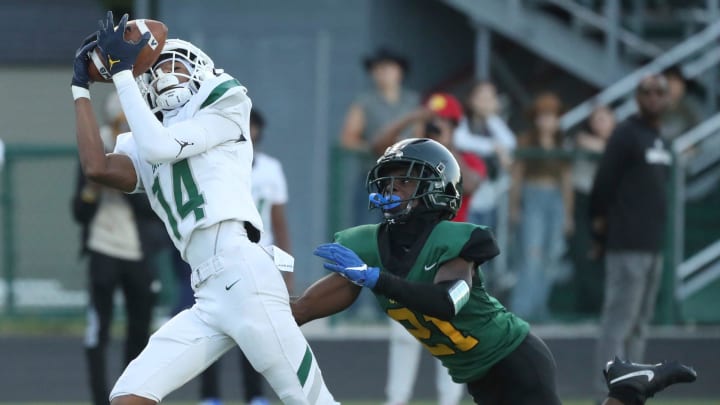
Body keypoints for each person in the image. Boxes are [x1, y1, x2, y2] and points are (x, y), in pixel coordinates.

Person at [290, 137, 696, 405]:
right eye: (389, 181)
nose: (392, 190)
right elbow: (302, 310)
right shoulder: (366, 245)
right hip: (476, 373)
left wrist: (376, 279)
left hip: (513, 357)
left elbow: (449, 302)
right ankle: (628, 386)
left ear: (436, 187)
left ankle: (632, 385)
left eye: (405, 182)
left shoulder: (455, 240)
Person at [71, 12, 336, 405]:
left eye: (172, 64)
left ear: (199, 69)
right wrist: (80, 88)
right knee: (128, 395)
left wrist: (124, 73)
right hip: (206, 291)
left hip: (242, 270)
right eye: (155, 68)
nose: (163, 75)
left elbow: (161, 147)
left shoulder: (227, 106)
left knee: (313, 402)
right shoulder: (144, 136)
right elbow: (97, 167)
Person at [374, 93, 484, 405]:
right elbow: (377, 148)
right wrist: (411, 122)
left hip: (453, 258)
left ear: (455, 126)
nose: (437, 128)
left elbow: (473, 182)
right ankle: (396, 401)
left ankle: (449, 402)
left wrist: (446, 149)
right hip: (412, 253)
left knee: (450, 334)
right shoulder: (411, 160)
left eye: (444, 124)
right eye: (434, 123)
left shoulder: (466, 160)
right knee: (404, 334)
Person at [71, 91, 167, 405]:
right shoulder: (95, 146)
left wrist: (118, 179)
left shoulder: (144, 147)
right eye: (118, 121)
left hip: (138, 252)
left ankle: (130, 396)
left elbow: (154, 208)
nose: (122, 126)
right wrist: (93, 188)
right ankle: (99, 399)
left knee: (140, 331)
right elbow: (79, 211)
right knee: (98, 331)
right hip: (103, 247)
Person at [195, 108, 291, 405]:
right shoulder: (217, 165)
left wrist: (287, 270)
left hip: (260, 257)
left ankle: (255, 395)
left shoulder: (270, 168)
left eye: (254, 126)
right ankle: (210, 395)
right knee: (213, 324)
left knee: (256, 328)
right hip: (222, 256)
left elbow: (279, 221)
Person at [590, 74, 672, 401]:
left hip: (653, 244)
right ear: (637, 97)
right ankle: (606, 393)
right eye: (646, 92)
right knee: (618, 324)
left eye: (659, 92)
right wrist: (598, 228)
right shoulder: (626, 134)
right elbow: (603, 184)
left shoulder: (659, 138)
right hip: (626, 242)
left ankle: (632, 390)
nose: (653, 97)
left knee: (640, 324)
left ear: (668, 99)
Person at [339, 46, 419, 321]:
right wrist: (376, 150)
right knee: (370, 240)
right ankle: (363, 307)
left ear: (400, 72)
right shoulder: (365, 102)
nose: (385, 73)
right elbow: (348, 138)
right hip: (375, 182)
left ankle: (397, 302)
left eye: (390, 67)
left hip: (407, 185)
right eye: (379, 68)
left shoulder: (413, 102)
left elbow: (422, 140)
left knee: (404, 243)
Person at [508, 92, 574, 322]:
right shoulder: (526, 140)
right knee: (531, 254)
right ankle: (522, 308)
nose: (547, 121)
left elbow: (566, 181)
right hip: (532, 195)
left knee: (552, 255)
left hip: (554, 199)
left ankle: (539, 307)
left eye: (552, 116)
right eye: (543, 116)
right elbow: (517, 176)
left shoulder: (562, 143)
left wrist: (568, 213)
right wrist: (514, 206)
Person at [570, 105, 616, 315]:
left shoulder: (622, 141)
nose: (601, 123)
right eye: (596, 119)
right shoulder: (581, 138)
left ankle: (605, 305)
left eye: (605, 118)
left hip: (611, 205)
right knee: (583, 252)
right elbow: (583, 141)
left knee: (607, 256)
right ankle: (586, 305)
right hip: (583, 201)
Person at [660, 65, 700, 141]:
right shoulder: (653, 107)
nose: (673, 88)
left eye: (677, 83)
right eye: (670, 82)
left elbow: (698, 132)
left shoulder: (689, 108)